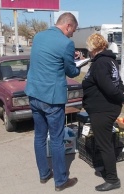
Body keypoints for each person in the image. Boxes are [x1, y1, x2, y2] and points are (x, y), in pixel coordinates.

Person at [24, 12, 80, 191]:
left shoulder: (39, 36)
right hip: (52, 98)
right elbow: (71, 72)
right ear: (68, 26)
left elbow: (48, 59)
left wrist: (71, 57)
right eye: (73, 31)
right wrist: (77, 65)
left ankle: (44, 174)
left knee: (39, 136)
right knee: (56, 139)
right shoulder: (66, 43)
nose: (72, 35)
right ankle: (61, 180)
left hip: (34, 94)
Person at [82, 33, 124, 191]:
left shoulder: (101, 63)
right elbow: (119, 84)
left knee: (105, 145)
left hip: (103, 110)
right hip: (105, 108)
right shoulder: (110, 61)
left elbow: (110, 88)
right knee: (105, 142)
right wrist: (121, 95)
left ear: (92, 48)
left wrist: (120, 97)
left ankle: (112, 179)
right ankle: (107, 168)